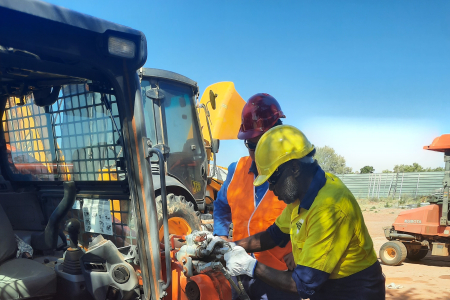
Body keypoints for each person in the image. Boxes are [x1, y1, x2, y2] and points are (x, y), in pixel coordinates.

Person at [222, 125, 385, 300]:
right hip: (326, 286)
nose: (271, 188)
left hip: (354, 291)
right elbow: (274, 235)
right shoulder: (301, 196)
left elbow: (304, 285)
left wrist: (250, 267)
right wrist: (229, 246)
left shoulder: (329, 208)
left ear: (294, 168)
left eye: (273, 179)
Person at [213, 94, 300, 300]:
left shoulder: (295, 174)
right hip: (238, 270)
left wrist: (301, 251)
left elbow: (311, 218)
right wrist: (221, 236)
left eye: (264, 144)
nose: (258, 153)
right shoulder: (237, 170)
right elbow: (221, 206)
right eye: (252, 146)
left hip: (278, 276)